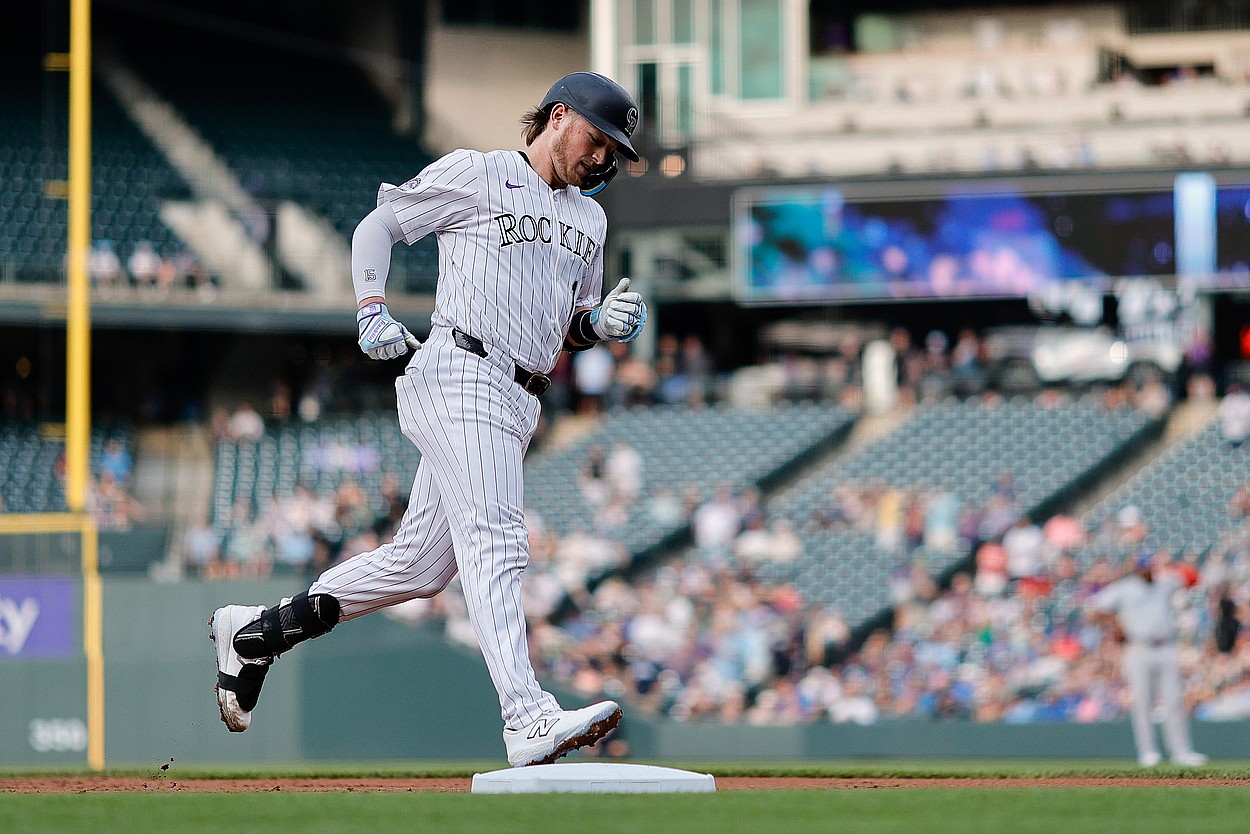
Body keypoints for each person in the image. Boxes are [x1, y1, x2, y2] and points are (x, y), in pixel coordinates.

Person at [210, 72, 645, 769]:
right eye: (598, 140)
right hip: (460, 370)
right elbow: (378, 226)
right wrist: (370, 307)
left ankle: (256, 633)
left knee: (419, 566)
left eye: (613, 152)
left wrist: (599, 324)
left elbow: (567, 327)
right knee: (497, 536)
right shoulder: (478, 173)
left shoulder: (590, 220)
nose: (603, 160)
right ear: (559, 117)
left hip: (520, 397)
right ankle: (526, 715)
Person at [1089, 552, 1208, 767]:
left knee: (1174, 700)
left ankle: (1181, 752)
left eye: (1150, 566)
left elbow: (1192, 577)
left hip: (1165, 646)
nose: (1147, 571)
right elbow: (1095, 609)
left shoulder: (1163, 583)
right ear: (1137, 568)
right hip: (1138, 648)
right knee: (1143, 702)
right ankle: (1148, 752)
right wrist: (1116, 625)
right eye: (1144, 567)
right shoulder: (1125, 587)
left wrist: (1171, 563)